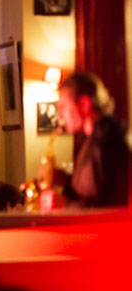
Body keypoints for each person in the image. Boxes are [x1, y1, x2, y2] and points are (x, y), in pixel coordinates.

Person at [57, 72, 130, 207]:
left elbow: (115, 203)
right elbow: (91, 190)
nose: (59, 116)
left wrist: (65, 204)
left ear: (84, 104)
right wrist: (64, 179)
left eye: (63, 107)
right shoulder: (89, 139)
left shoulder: (110, 140)